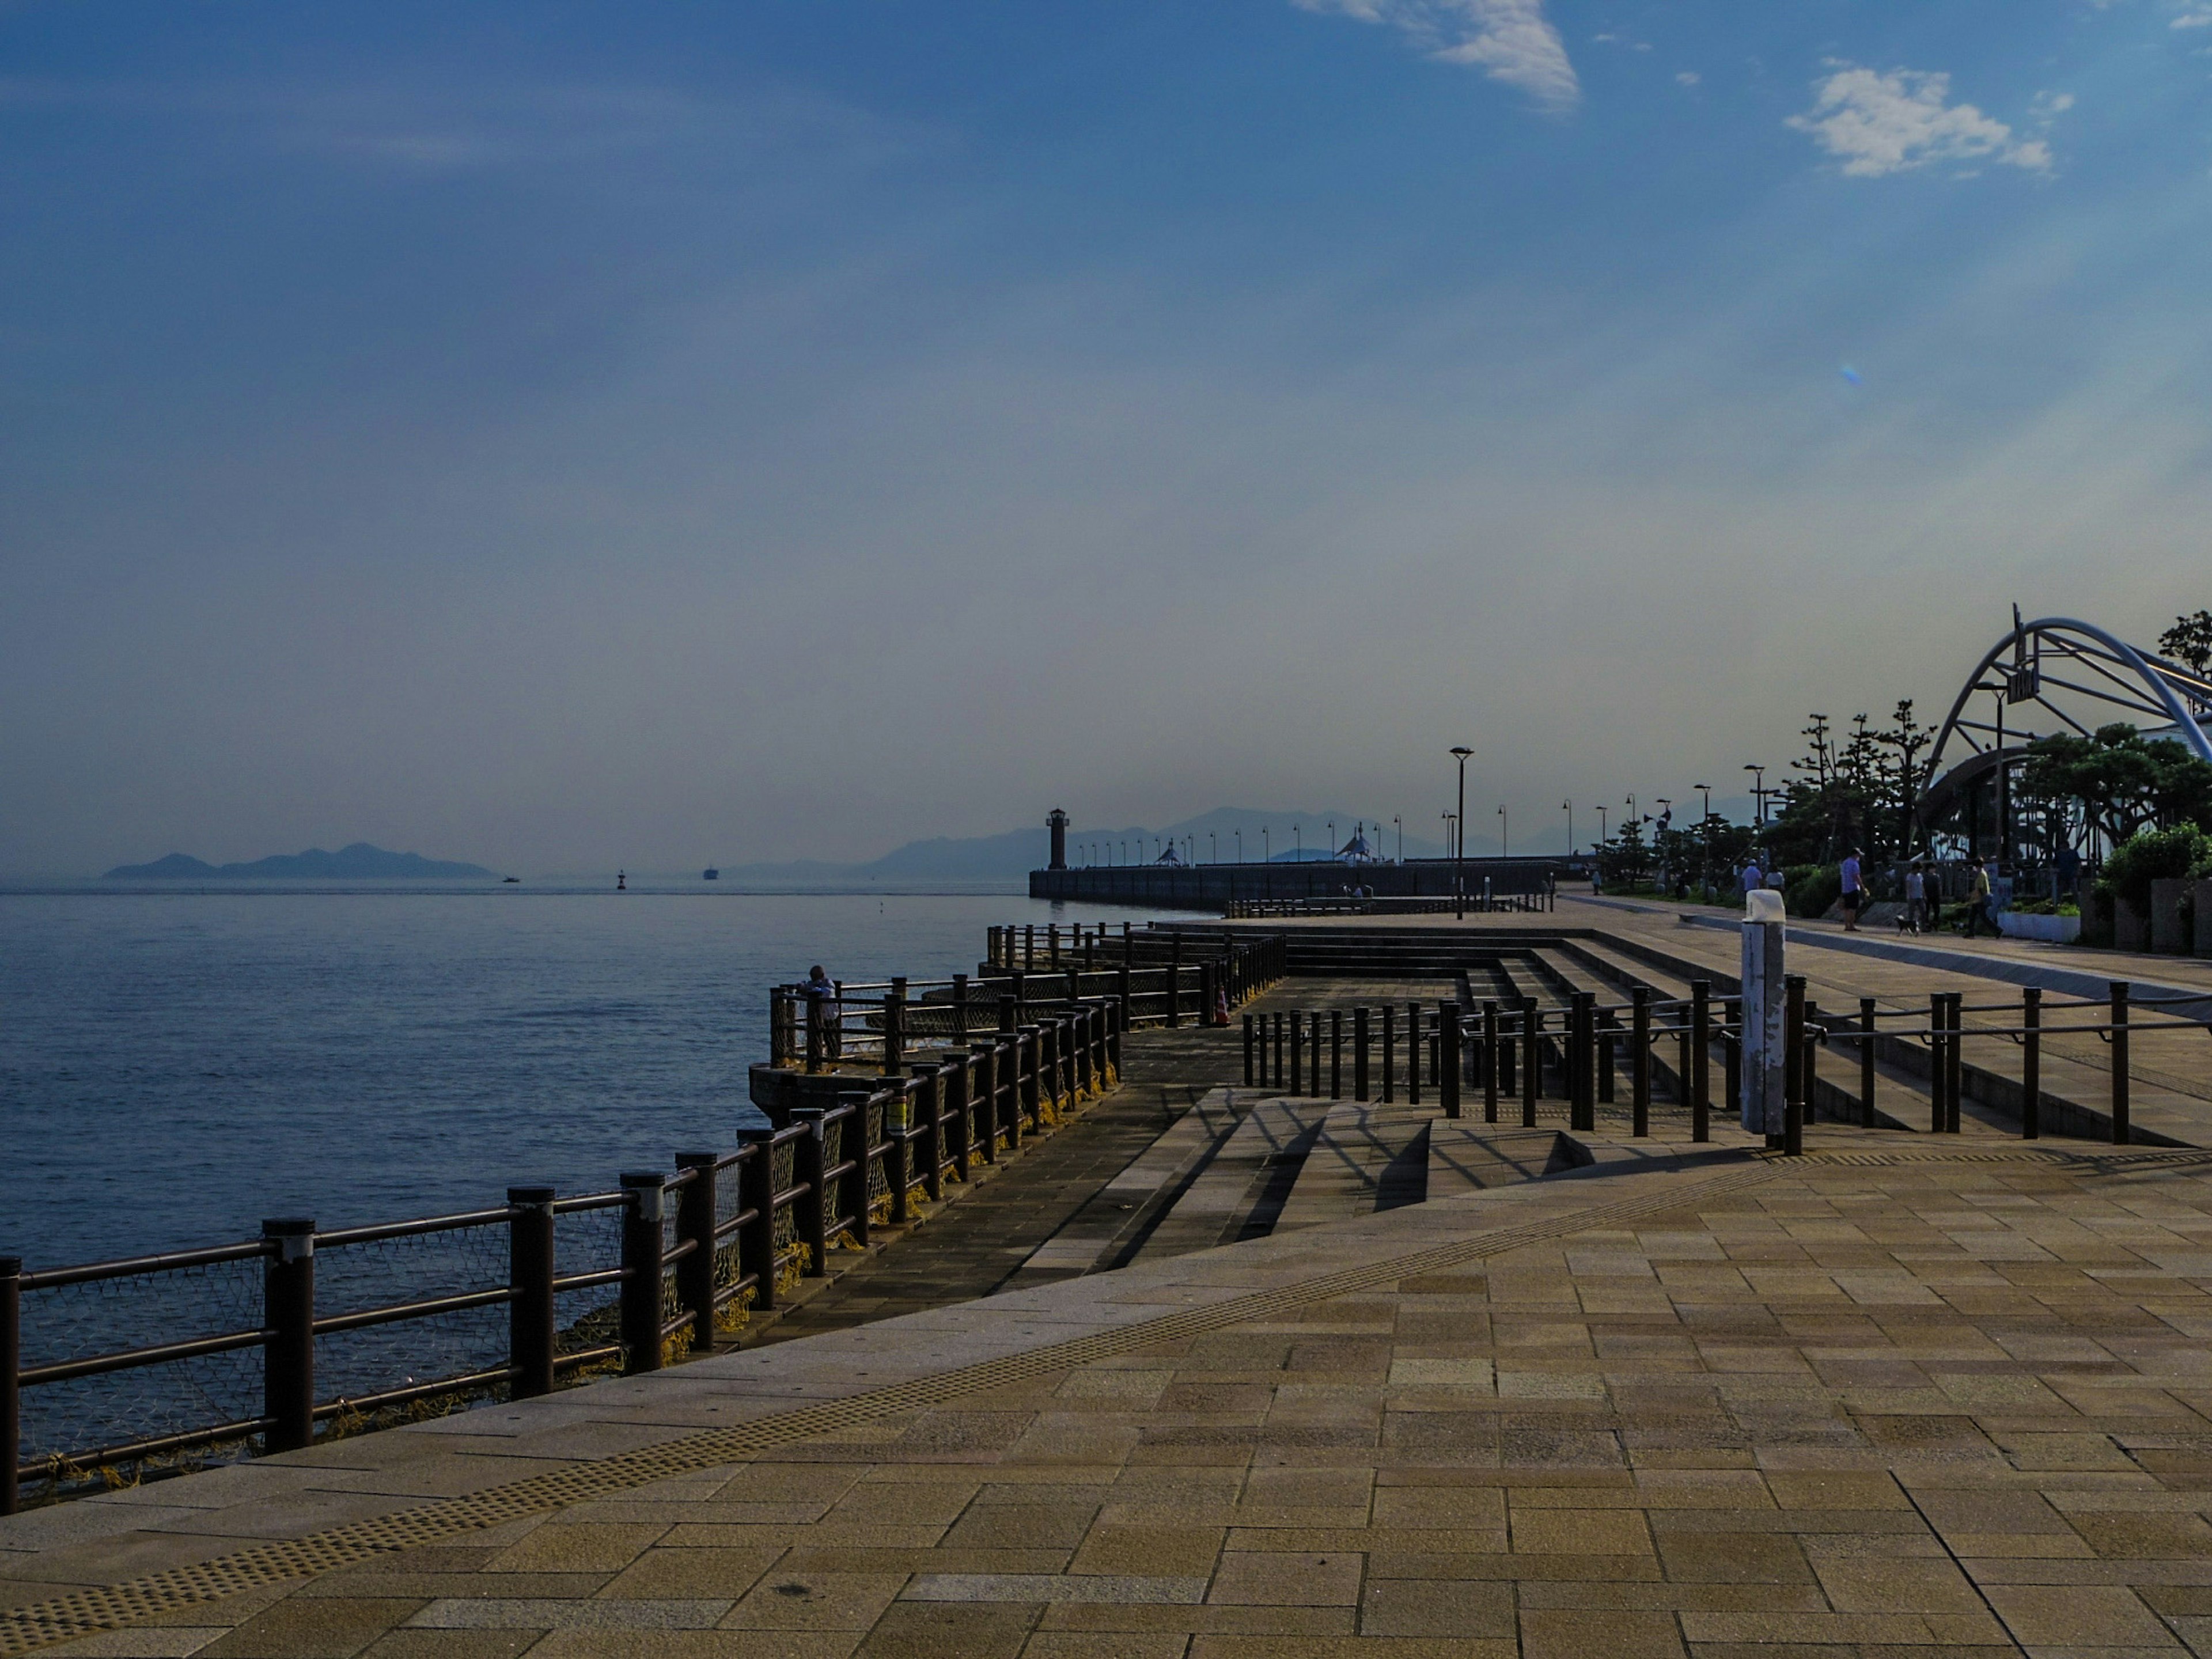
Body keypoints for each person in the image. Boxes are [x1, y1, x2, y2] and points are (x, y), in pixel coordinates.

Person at [802, 964, 841, 1058]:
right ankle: (816, 1058)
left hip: (829, 1017)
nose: (814, 979)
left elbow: (827, 993)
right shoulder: (811, 984)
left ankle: (833, 1060)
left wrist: (811, 989)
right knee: (814, 1039)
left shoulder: (828, 983)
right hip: (816, 1018)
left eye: (815, 976)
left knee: (830, 1040)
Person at [1839, 847, 1866, 932]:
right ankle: (1852, 925)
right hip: (1853, 888)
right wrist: (1863, 887)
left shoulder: (1845, 863)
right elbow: (1856, 876)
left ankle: (1847, 925)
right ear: (1856, 855)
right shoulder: (1854, 864)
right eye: (1859, 855)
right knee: (1853, 908)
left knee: (1847, 908)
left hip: (1845, 888)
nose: (1859, 857)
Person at [1964, 861, 1993, 937]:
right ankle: (1971, 933)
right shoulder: (1983, 873)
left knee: (1983, 917)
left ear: (1977, 867)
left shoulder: (1981, 874)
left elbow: (1979, 888)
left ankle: (1997, 931)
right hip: (1978, 899)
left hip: (1980, 900)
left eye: (1975, 867)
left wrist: (1970, 896)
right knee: (1972, 917)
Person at [1903, 864, 1925, 935]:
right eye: (1918, 869)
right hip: (1913, 897)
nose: (1919, 871)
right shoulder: (1909, 876)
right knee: (1911, 913)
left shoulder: (1920, 876)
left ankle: (1922, 926)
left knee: (1923, 911)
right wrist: (1908, 895)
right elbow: (1908, 886)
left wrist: (1924, 894)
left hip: (1920, 896)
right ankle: (1911, 927)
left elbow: (1922, 885)